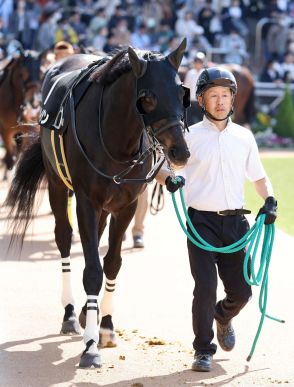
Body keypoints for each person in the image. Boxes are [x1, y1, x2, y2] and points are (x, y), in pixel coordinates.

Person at [156, 67, 277, 372]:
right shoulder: (189, 136)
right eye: (213, 96)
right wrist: (169, 179)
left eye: (225, 95)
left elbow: (259, 178)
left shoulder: (244, 137)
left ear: (233, 99)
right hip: (202, 224)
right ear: (201, 100)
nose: (221, 101)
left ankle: (223, 316)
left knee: (242, 292)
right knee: (205, 287)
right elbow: (163, 168)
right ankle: (203, 349)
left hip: (237, 225)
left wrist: (270, 200)